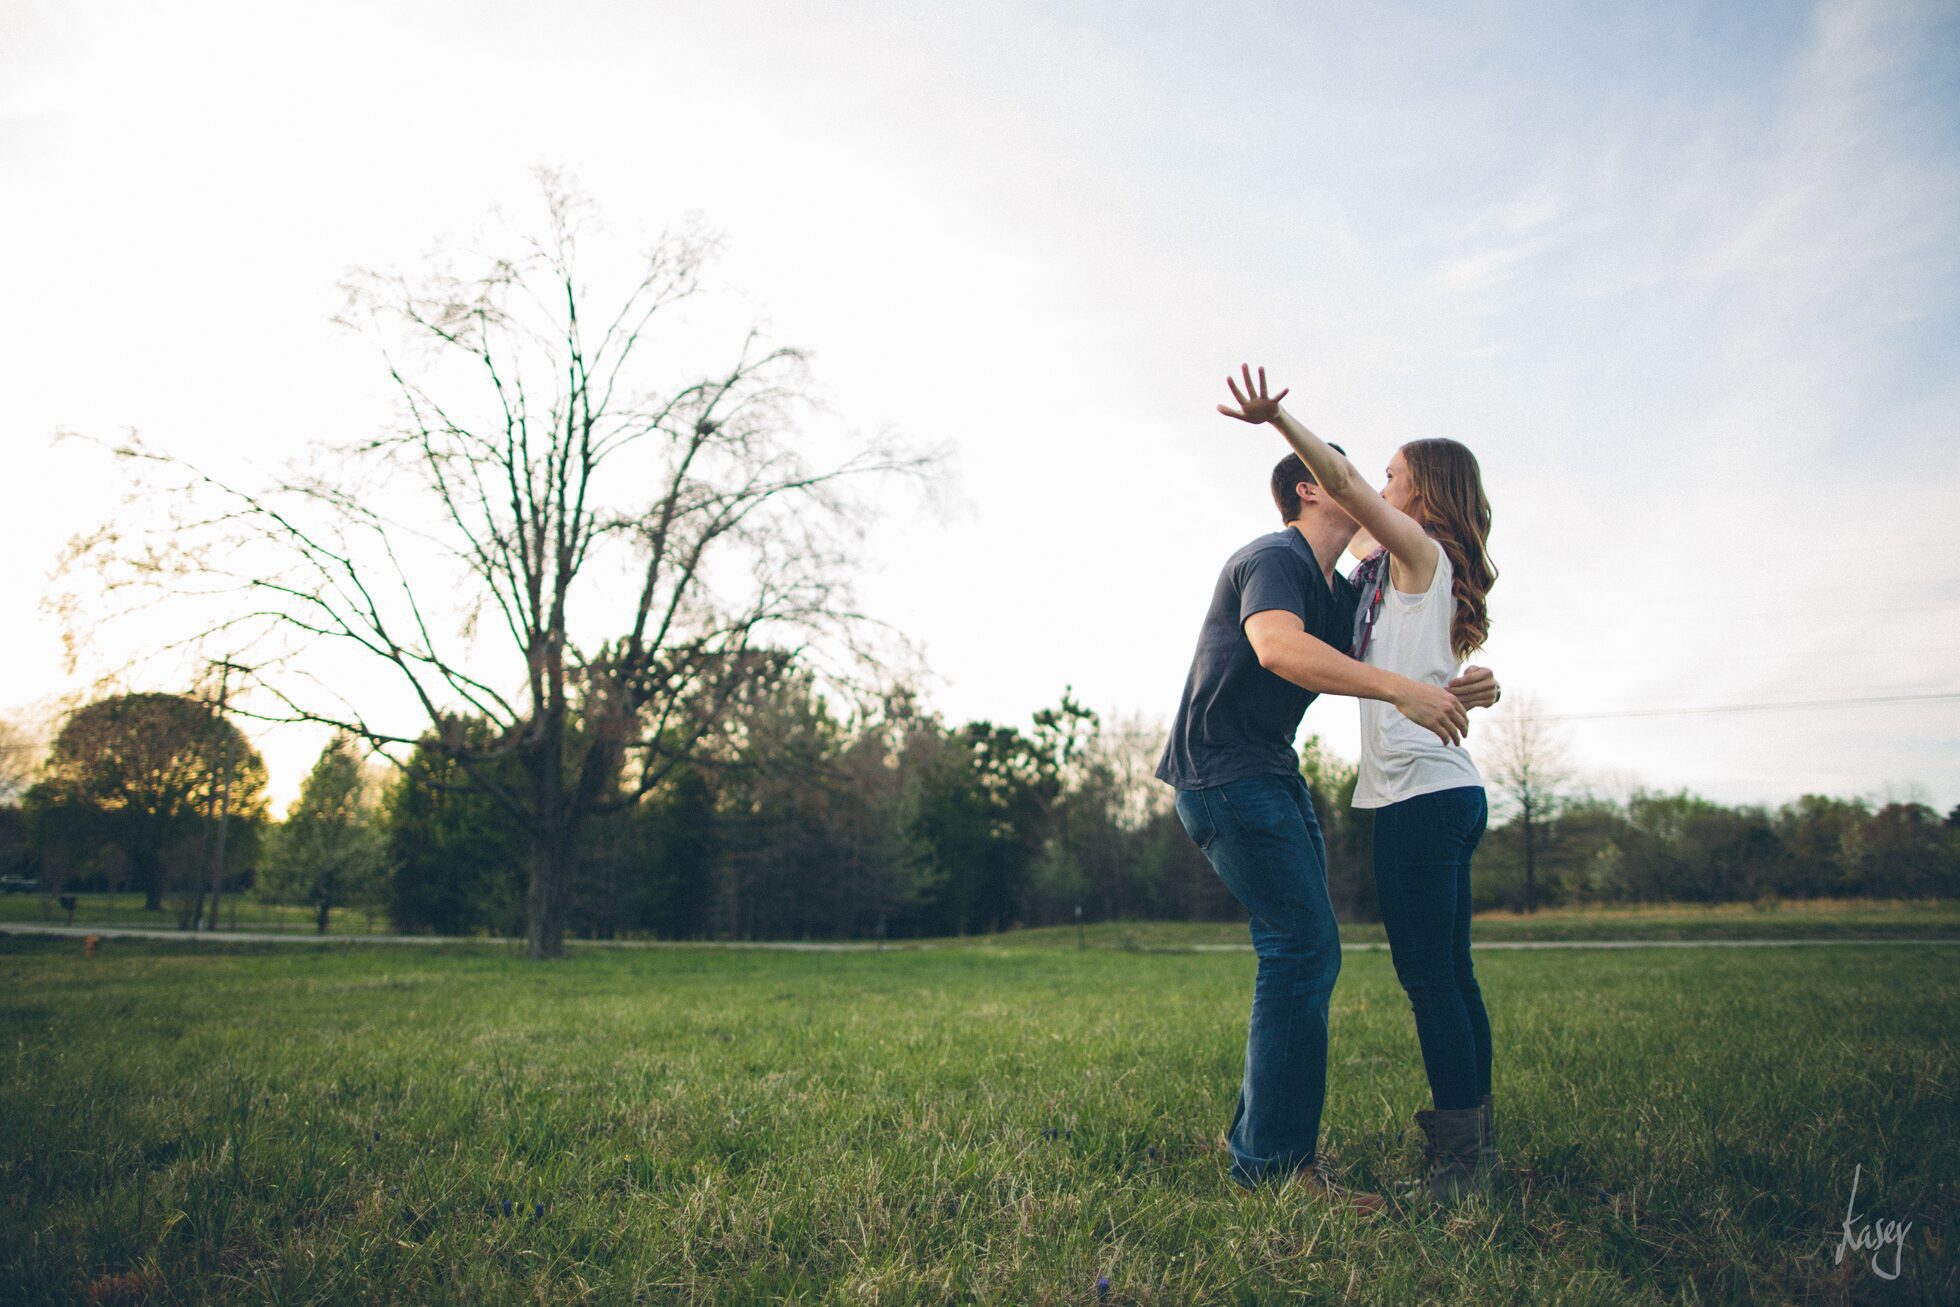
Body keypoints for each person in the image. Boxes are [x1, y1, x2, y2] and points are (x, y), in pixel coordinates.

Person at [1155, 408, 1498, 1212]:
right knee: (1304, 951)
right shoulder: (1274, 556)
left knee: (1312, 951)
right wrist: (1408, 689)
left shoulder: (1344, 590)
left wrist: (1457, 683)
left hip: (1274, 774)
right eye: (1352, 476)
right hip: (1225, 774)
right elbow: (1279, 648)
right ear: (1311, 487)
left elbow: (1403, 645)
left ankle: (1265, 1143)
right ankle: (1273, 1163)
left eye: (1385, 479)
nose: (1369, 490)